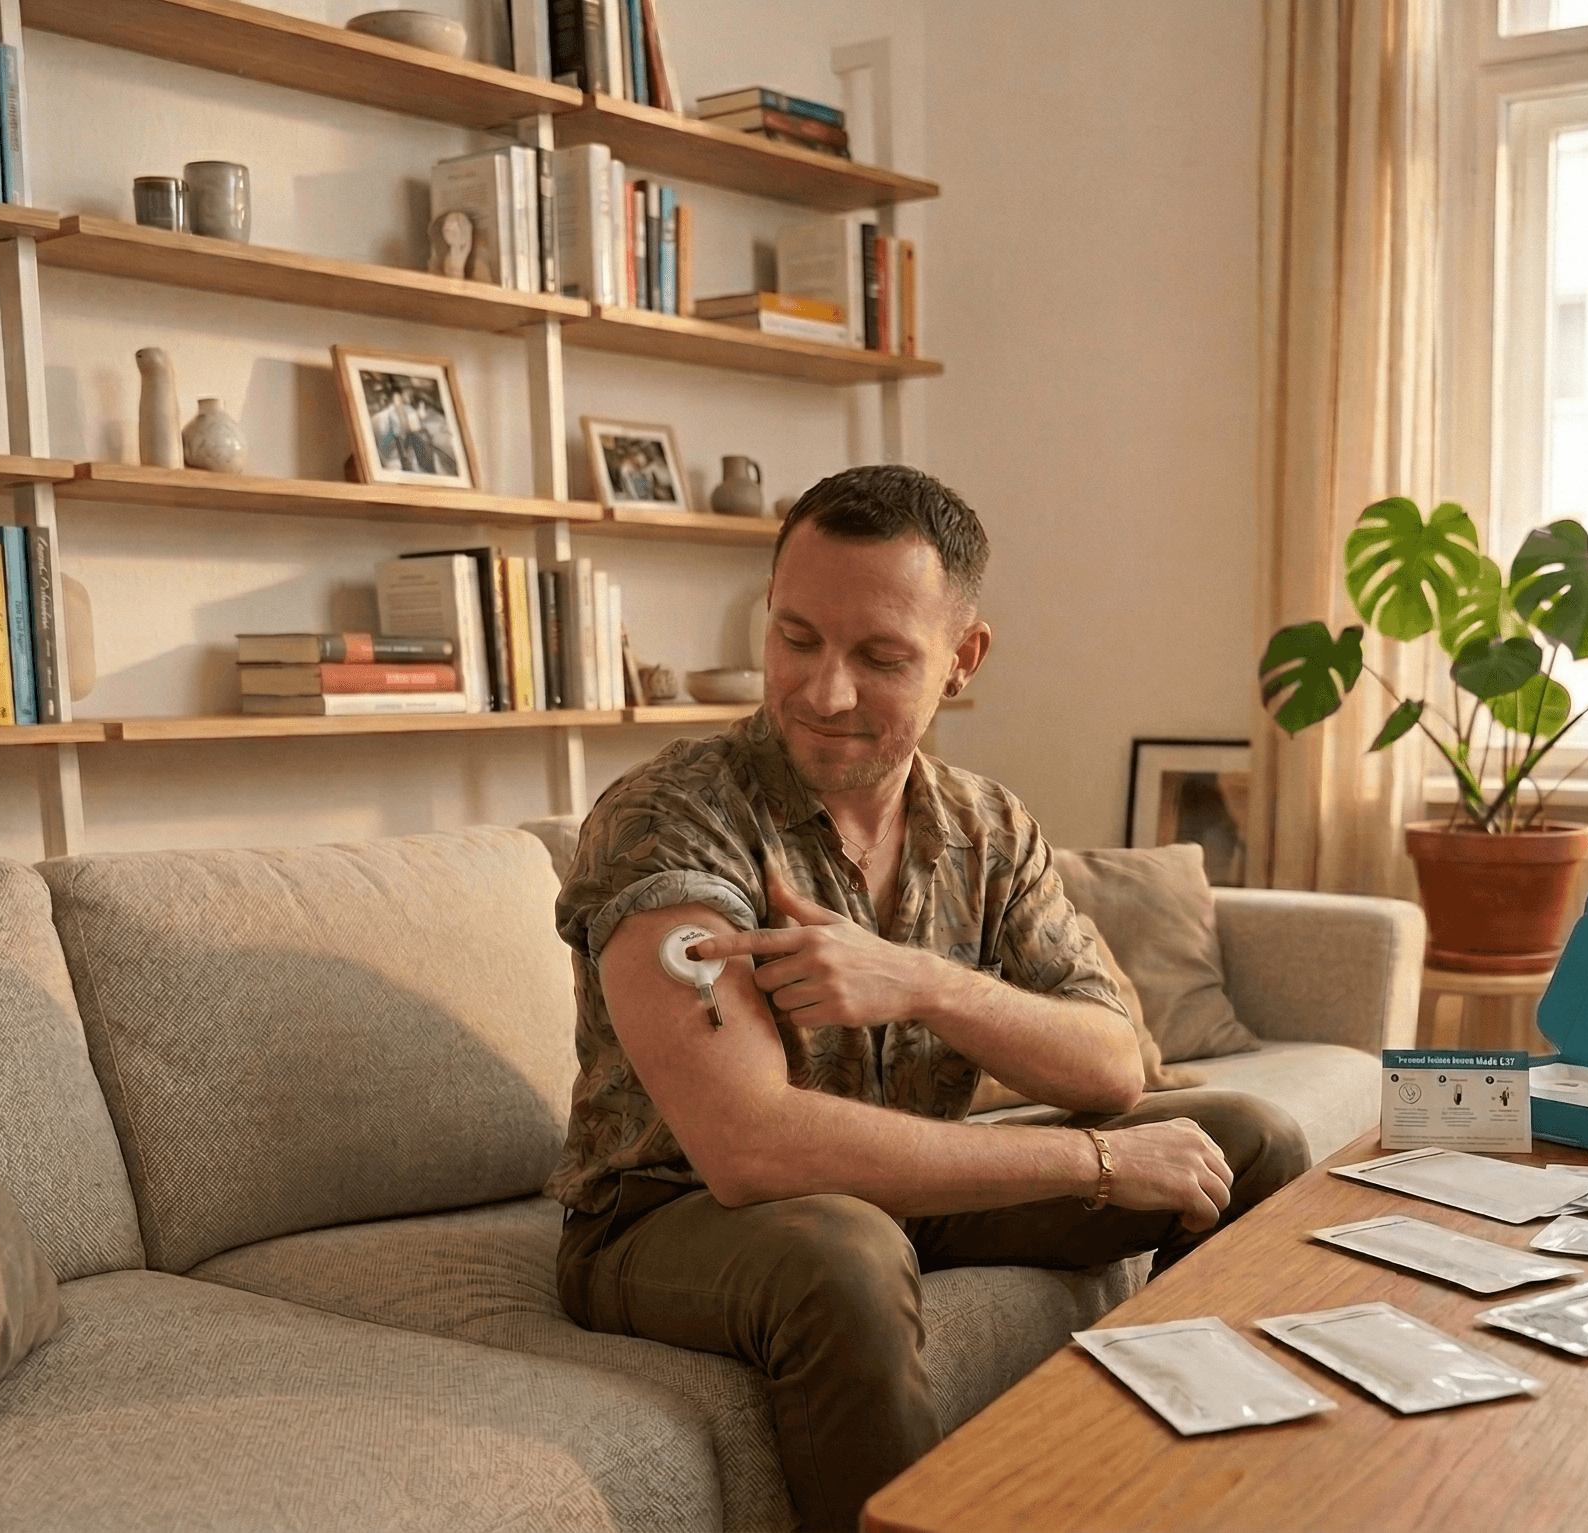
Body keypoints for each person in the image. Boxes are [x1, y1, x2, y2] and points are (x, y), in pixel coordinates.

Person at [545, 464, 1307, 1532]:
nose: (823, 691)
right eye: (796, 637)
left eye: (880, 656)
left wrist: (921, 982)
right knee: (843, 1255)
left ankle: (1185, 1502)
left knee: (1247, 1141)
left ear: (963, 661)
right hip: (669, 1217)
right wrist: (1091, 1162)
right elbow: (748, 1147)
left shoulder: (985, 826)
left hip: (903, 1180)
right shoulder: (669, 820)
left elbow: (1109, 1062)